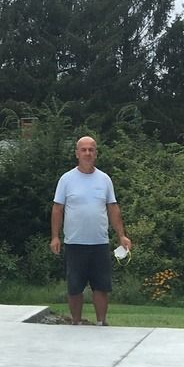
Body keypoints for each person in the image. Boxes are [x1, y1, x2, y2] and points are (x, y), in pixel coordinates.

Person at [50, 136, 132, 326]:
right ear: (77, 153)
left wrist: (121, 235)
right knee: (74, 287)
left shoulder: (104, 179)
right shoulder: (66, 179)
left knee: (101, 286)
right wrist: (55, 237)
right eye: (83, 149)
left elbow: (113, 208)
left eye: (91, 149)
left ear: (96, 153)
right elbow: (57, 209)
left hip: (99, 242)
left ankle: (101, 323)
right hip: (74, 243)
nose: (87, 153)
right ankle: (76, 323)